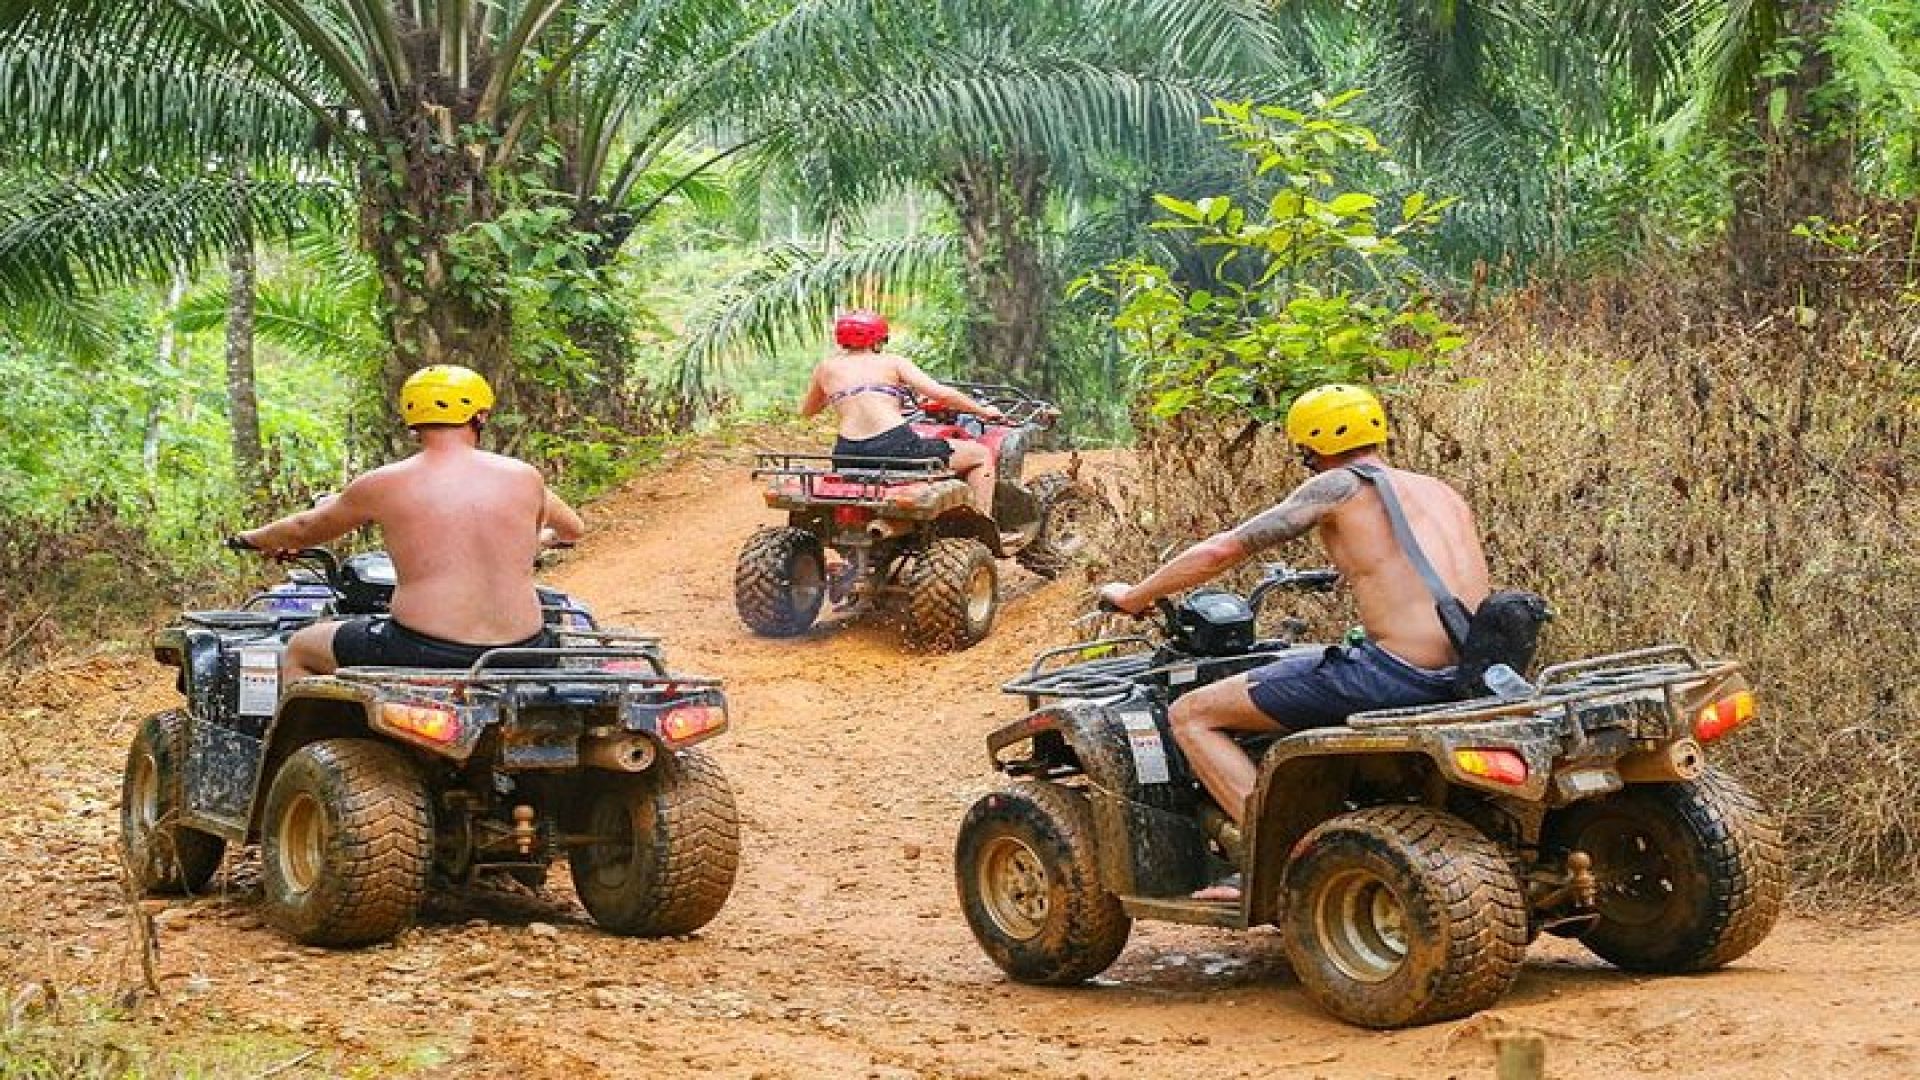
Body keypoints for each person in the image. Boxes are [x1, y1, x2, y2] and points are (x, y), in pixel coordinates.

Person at [1097, 384, 1488, 900]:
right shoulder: (1438, 491)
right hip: (1474, 670)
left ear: (1311, 442)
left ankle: (1284, 858)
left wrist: (1135, 595)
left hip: (1397, 672)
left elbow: (1220, 551)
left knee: (1192, 714)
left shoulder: (1338, 487)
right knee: (1308, 662)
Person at [232, 364, 587, 680]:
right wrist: (533, 543)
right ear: (480, 415)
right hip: (522, 650)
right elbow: (572, 529)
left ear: (411, 418)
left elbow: (303, 529)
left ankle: (315, 751)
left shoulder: (384, 483)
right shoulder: (524, 477)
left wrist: (252, 538)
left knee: (302, 648)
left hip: (425, 649)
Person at [800, 309, 1007, 515]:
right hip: (895, 447)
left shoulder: (826, 368)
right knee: (981, 455)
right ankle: (981, 527)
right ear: (878, 340)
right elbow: (942, 396)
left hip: (848, 453)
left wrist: (843, 395)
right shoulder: (892, 362)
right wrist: (983, 411)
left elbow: (808, 410)